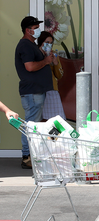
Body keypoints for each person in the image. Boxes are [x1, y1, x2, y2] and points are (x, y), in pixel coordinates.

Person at [15, 16, 54, 169]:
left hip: (35, 92)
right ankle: (27, 157)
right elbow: (30, 67)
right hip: (32, 93)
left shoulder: (30, 45)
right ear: (28, 30)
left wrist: (45, 56)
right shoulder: (25, 45)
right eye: (35, 27)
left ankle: (31, 156)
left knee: (33, 125)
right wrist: (45, 61)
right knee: (30, 126)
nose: (38, 29)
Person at [37, 31, 66, 120]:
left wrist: (55, 62)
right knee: (40, 118)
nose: (49, 45)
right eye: (47, 43)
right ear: (41, 42)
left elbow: (59, 75)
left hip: (52, 89)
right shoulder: (36, 54)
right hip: (39, 90)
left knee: (55, 119)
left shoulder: (54, 55)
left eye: (51, 43)